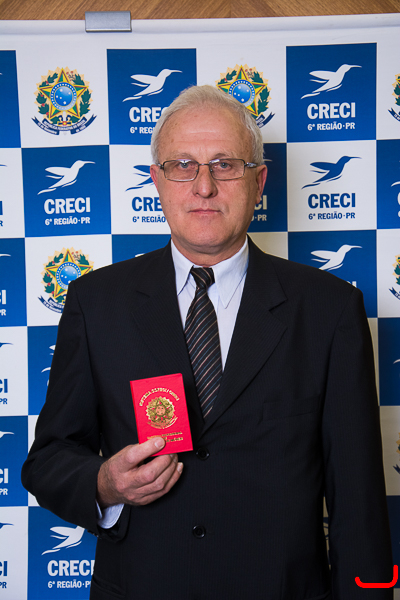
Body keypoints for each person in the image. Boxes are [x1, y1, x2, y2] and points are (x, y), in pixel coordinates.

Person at [22, 85, 393, 600]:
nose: (203, 186)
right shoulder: (96, 302)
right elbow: (48, 460)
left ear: (259, 182)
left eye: (225, 165)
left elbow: (358, 497)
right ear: (157, 180)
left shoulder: (329, 309)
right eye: (182, 165)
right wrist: (105, 482)